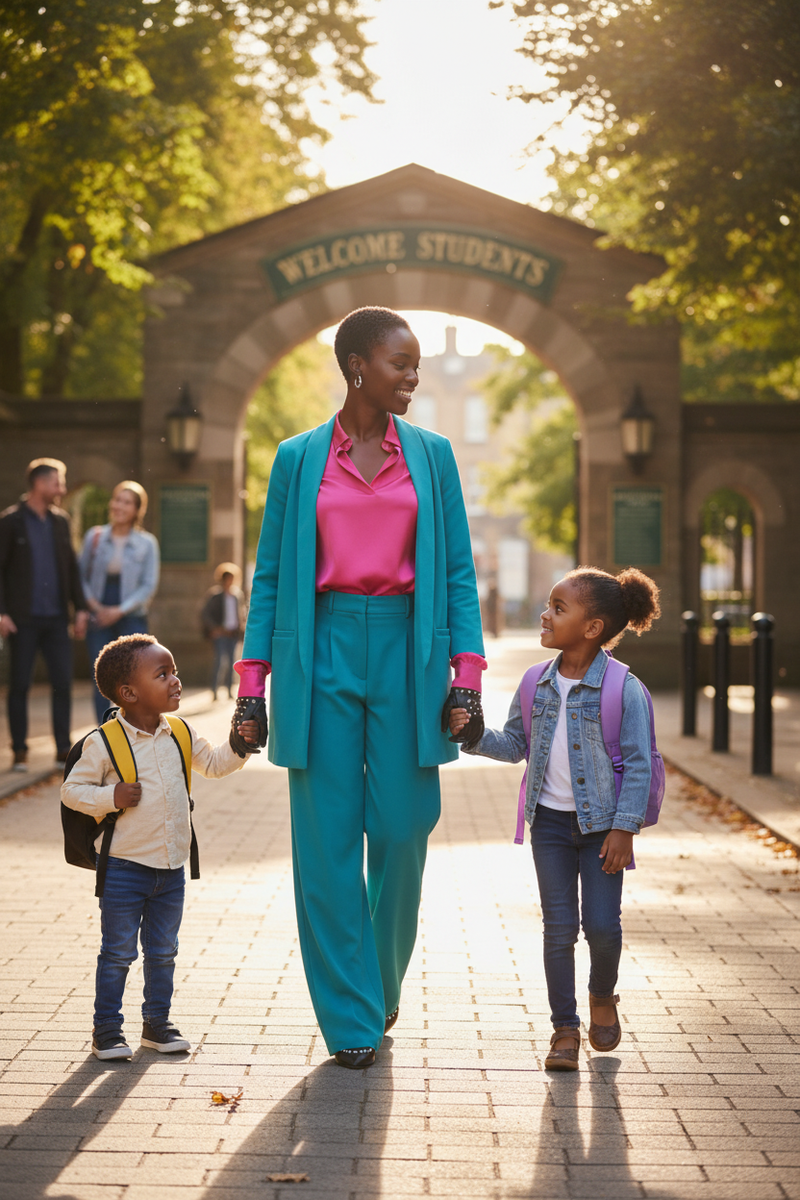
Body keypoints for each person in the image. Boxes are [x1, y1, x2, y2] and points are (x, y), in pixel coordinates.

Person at [230, 307, 486, 1069]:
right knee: (327, 841)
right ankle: (350, 1016)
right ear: (356, 367)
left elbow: (458, 576)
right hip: (323, 649)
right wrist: (252, 687)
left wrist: (465, 680)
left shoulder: (433, 457)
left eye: (414, 363)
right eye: (399, 363)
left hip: (410, 648)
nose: (413, 375)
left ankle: (376, 977)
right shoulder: (298, 459)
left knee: (405, 829)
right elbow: (272, 575)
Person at [450, 566, 661, 1071]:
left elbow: (639, 762)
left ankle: (602, 994)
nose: (545, 615)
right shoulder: (534, 683)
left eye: (558, 608)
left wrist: (624, 828)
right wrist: (472, 734)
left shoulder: (624, 689)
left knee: (604, 928)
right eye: (549, 605)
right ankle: (563, 1029)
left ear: (592, 628)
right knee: (559, 928)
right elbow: (517, 744)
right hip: (548, 824)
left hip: (602, 830)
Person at [61, 633, 260, 1061]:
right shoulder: (104, 742)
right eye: (162, 674)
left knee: (163, 952)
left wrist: (241, 743)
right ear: (129, 693)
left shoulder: (181, 733)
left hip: (171, 869)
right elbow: (71, 790)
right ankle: (107, 1031)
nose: (175, 680)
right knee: (117, 953)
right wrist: (109, 798)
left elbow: (214, 764)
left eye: (174, 671)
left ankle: (156, 1023)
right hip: (123, 869)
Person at [0, 458, 89, 770]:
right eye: (57, 483)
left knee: (62, 683)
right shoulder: (10, 521)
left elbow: (71, 569)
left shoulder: (60, 522)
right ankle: (20, 751)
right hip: (22, 619)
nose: (62, 489)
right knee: (20, 684)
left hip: (55, 619)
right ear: (39, 484)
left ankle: (63, 748)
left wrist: (80, 610)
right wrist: (2, 613)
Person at [80, 481, 160, 723]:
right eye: (117, 500)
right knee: (101, 679)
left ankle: (133, 734)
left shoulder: (147, 543)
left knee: (133, 679)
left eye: (126, 502)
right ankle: (104, 735)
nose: (119, 506)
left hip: (131, 617)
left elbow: (148, 585)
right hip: (98, 613)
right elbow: (80, 576)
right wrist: (94, 606)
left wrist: (120, 610)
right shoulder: (94, 537)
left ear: (137, 510)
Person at [201, 563, 246, 699]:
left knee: (233, 662)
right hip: (220, 634)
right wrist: (214, 628)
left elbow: (241, 614)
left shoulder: (237, 595)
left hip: (233, 634)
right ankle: (214, 690)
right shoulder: (215, 595)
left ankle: (229, 690)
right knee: (220, 661)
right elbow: (206, 614)